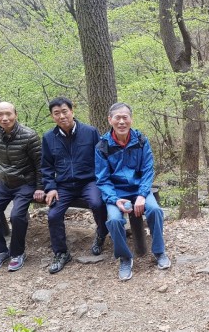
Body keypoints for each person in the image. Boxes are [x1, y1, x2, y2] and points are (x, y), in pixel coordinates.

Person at [95, 102, 170, 281]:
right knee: (114, 220)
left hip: (139, 189)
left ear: (131, 119)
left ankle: (159, 251)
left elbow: (148, 170)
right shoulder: (102, 146)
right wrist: (114, 199)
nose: (121, 122)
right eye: (117, 118)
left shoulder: (141, 141)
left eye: (125, 117)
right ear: (110, 120)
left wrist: (142, 195)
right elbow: (102, 179)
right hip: (116, 193)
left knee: (155, 210)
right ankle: (125, 258)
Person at [41, 97, 108, 274]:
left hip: (88, 181)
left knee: (98, 203)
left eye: (65, 111)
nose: (62, 116)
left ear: (72, 111)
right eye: (57, 113)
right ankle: (61, 253)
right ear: (52, 116)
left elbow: (102, 158)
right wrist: (51, 187)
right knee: (53, 215)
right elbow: (46, 166)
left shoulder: (90, 132)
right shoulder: (49, 138)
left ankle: (101, 233)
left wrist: (102, 181)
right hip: (63, 185)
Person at [0, 102, 44, 272]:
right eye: (0, 114)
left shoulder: (29, 135)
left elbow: (40, 163)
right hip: (5, 183)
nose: (4, 118)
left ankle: (17, 253)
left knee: (17, 216)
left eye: (8, 114)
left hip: (26, 183)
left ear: (15, 114)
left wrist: (40, 187)